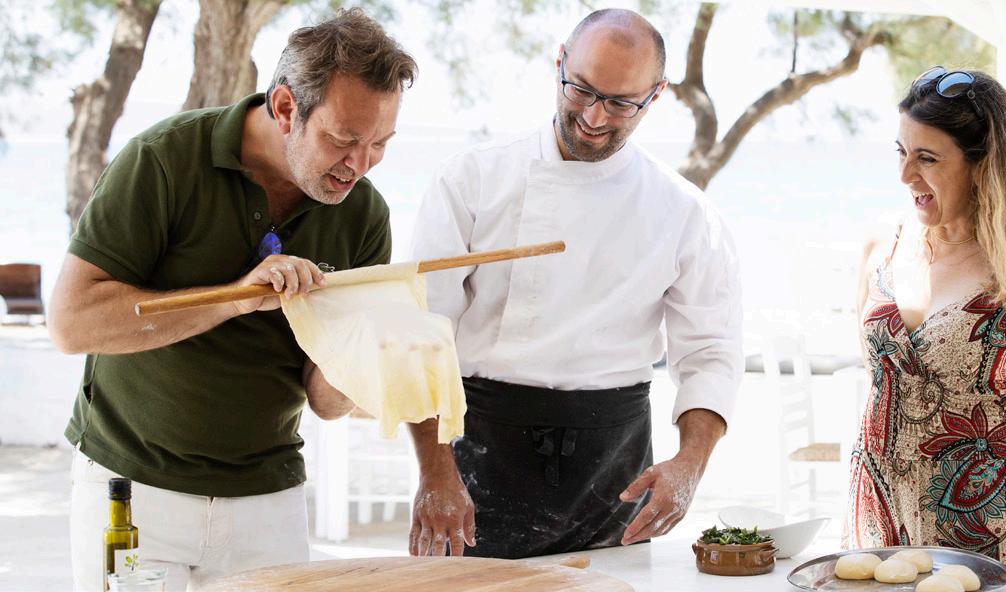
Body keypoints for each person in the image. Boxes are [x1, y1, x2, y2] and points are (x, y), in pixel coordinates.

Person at [47, 9, 416, 591]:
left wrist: (375, 348)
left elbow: (327, 402)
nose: (359, 166)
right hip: (132, 487)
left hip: (269, 501)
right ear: (286, 107)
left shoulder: (364, 214)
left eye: (380, 145)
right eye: (343, 140)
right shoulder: (163, 159)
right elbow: (72, 324)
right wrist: (232, 299)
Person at [405, 8, 743, 559]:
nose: (593, 115)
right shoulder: (472, 180)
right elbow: (420, 337)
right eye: (580, 89)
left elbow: (710, 352)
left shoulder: (684, 212)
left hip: (615, 470)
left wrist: (690, 463)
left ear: (655, 95)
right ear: (559, 62)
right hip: (476, 456)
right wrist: (433, 472)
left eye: (620, 103)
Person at [847, 66, 1006, 582]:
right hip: (879, 525)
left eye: (927, 158)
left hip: (991, 539)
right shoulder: (880, 248)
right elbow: (883, 382)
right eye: (901, 152)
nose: (905, 175)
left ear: (982, 164)